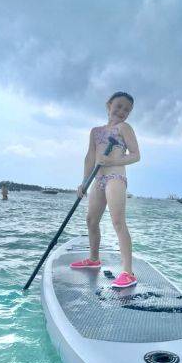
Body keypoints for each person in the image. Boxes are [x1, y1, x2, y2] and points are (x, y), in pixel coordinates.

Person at [70, 92, 140, 288]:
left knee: (118, 222)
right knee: (91, 220)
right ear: (108, 105)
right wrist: (84, 182)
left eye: (127, 109)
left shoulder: (124, 128)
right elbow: (89, 158)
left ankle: (128, 272)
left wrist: (112, 161)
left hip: (115, 177)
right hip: (97, 179)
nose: (122, 111)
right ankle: (93, 259)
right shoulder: (95, 131)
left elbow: (136, 155)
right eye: (118, 106)